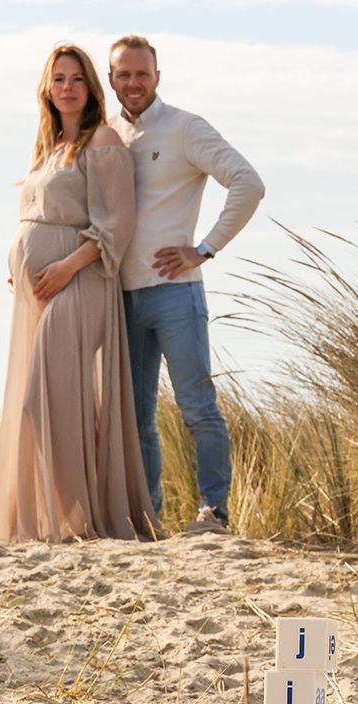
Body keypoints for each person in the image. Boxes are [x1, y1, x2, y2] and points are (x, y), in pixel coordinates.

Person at [0, 44, 159, 543]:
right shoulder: (46, 148)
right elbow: (35, 217)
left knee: (41, 402)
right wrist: (21, 262)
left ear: (91, 87)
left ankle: (75, 518)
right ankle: (52, 522)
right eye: (58, 79)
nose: (67, 87)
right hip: (37, 288)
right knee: (49, 398)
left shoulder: (102, 140)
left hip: (80, 282)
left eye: (76, 79)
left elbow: (116, 223)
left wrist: (63, 266)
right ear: (47, 88)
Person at [107, 36, 265, 534]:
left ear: (157, 76)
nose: (133, 83)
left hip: (177, 293)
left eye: (142, 74)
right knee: (135, 418)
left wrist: (205, 247)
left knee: (197, 406)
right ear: (111, 80)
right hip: (120, 297)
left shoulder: (184, 128)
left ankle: (214, 513)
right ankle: (147, 516)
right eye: (123, 75)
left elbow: (248, 182)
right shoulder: (106, 135)